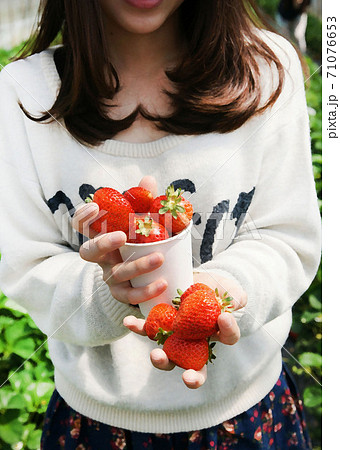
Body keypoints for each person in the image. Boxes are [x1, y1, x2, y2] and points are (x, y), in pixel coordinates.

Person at [0, 0, 321, 448]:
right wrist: (111, 292)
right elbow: (28, 266)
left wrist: (220, 291)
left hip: (248, 414)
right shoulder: (23, 94)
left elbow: (287, 237)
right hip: (94, 422)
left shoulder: (268, 71)